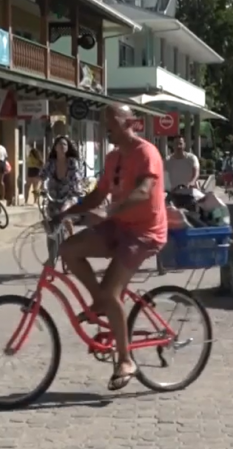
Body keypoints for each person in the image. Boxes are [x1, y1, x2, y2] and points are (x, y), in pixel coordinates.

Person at [54, 104, 167, 391]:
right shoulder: (113, 156)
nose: (106, 127)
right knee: (68, 249)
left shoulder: (146, 153)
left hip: (144, 232)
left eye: (110, 122)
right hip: (119, 225)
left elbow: (143, 191)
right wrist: (67, 212)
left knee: (112, 291)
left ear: (127, 123)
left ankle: (126, 359)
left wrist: (110, 211)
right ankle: (102, 301)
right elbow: (98, 194)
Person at [41, 136, 86, 236]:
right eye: (60, 144)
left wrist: (78, 189)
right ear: (55, 147)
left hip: (71, 193)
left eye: (65, 144)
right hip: (54, 194)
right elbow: (42, 176)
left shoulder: (72, 162)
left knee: (64, 211)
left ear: (67, 148)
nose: (62, 146)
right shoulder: (51, 163)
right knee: (49, 214)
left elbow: (78, 178)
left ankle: (71, 236)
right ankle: (52, 236)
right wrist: (42, 188)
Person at [164, 136, 200, 209]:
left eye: (180, 143)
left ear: (184, 145)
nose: (178, 146)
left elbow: (196, 172)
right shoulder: (167, 160)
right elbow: (161, 175)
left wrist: (192, 182)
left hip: (190, 193)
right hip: (174, 194)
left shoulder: (191, 158)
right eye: (176, 144)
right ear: (172, 145)